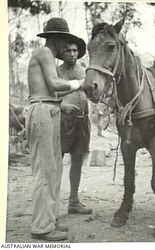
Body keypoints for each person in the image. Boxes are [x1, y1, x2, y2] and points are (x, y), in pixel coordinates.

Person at [26, 17, 84, 241]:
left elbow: (52, 92)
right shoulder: (44, 53)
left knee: (55, 169)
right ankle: (41, 227)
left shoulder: (47, 55)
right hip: (41, 111)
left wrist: (63, 104)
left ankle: (50, 219)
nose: (65, 48)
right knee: (44, 171)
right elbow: (54, 84)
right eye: (65, 42)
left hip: (50, 109)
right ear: (57, 38)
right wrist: (81, 82)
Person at [57, 41, 93, 215]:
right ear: (61, 53)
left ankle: (74, 202)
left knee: (77, 160)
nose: (72, 53)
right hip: (64, 121)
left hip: (83, 121)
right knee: (57, 161)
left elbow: (92, 92)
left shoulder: (84, 70)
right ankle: (52, 205)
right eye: (68, 50)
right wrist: (62, 106)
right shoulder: (57, 72)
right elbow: (48, 94)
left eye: (75, 50)